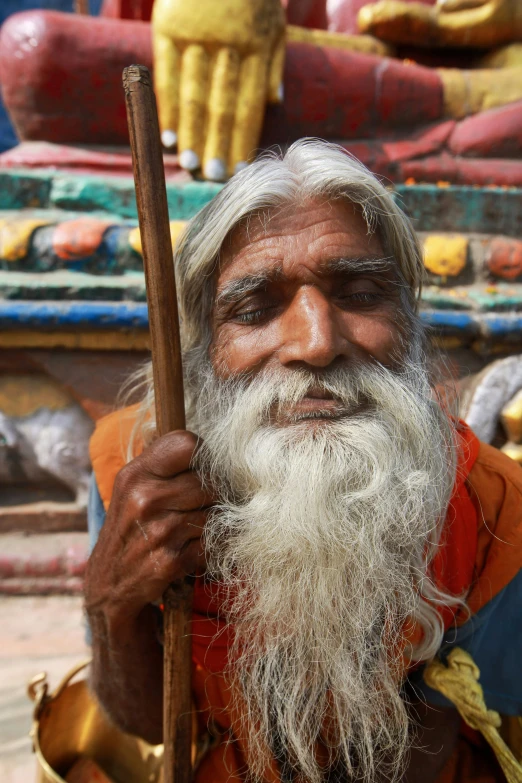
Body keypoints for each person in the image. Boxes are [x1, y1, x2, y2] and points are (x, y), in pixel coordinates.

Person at [85, 139, 522, 783]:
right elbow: (148, 723)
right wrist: (110, 602)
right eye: (257, 309)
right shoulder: (131, 473)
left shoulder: (493, 504)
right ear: (203, 352)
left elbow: (440, 724)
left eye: (361, 293)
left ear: (410, 323)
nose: (317, 344)